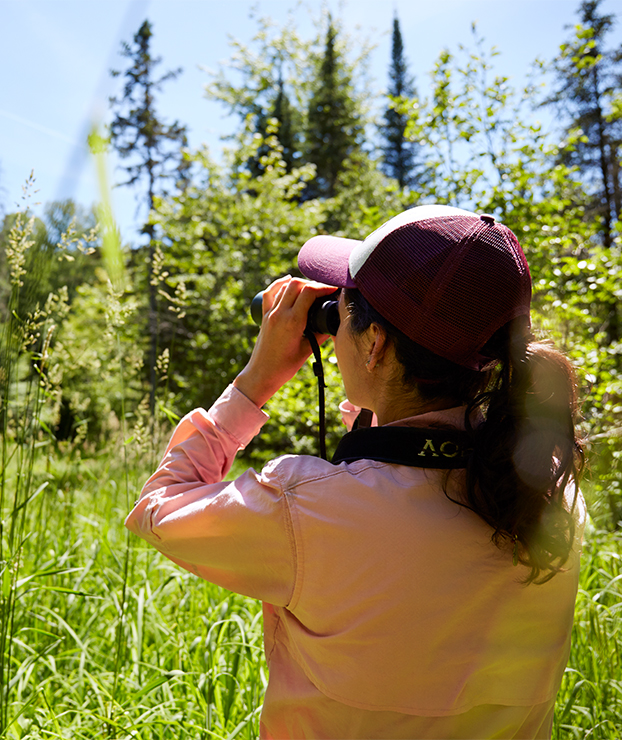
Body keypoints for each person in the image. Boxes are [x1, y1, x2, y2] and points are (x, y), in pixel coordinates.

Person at [125, 205, 586, 739]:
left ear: (375, 344)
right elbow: (406, 460)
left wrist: (255, 381)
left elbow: (158, 507)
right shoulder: (549, 494)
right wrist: (372, 379)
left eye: (342, 313)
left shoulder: (303, 509)